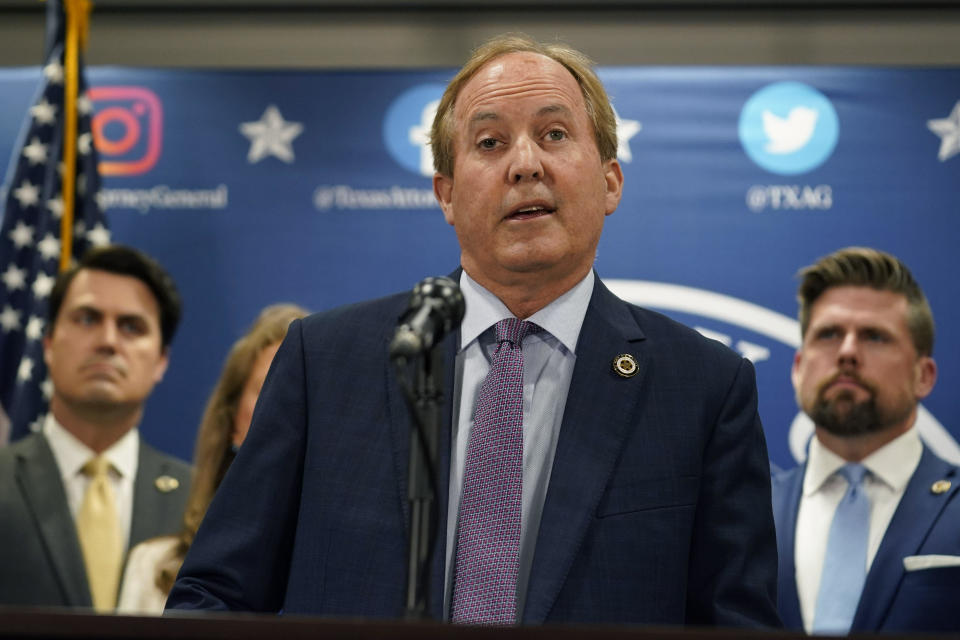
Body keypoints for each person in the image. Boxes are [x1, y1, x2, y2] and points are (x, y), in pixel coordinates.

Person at [167, 33, 779, 627]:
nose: (524, 164)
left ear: (611, 180)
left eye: (555, 134)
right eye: (489, 142)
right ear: (447, 194)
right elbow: (216, 595)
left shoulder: (703, 387)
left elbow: (736, 621)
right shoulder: (323, 362)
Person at [772, 247, 960, 634]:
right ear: (798, 368)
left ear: (923, 375)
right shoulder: (745, 511)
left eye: (874, 336)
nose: (847, 352)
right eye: (828, 334)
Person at [0, 244, 190, 611]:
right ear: (50, 344)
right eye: (87, 319)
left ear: (161, 361)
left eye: (131, 327)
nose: (107, 341)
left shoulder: (199, 503)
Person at [116, 304, 308, 614]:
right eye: (272, 392)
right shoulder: (151, 566)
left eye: (305, 395)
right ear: (232, 420)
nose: (291, 413)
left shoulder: (347, 577)